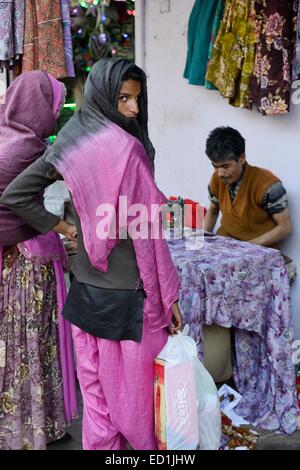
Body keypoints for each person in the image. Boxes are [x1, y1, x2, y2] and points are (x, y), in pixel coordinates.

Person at [1, 58, 182, 450]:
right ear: (104, 96)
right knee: (137, 411)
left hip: (84, 289)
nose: (134, 109)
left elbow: (15, 195)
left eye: (138, 99)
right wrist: (169, 297)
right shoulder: (130, 149)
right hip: (130, 298)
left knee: (97, 406)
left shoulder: (71, 140)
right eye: (124, 99)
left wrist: (63, 227)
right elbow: (149, 234)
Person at [0, 71, 77, 450]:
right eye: (55, 106)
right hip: (29, 258)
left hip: (8, 257)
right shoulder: (30, 149)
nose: (57, 112)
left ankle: (12, 425)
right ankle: (35, 427)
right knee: (35, 344)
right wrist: (62, 227)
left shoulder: (3, 133)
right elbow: (15, 199)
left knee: (11, 344)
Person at [204, 126, 295, 281]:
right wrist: (203, 241)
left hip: (258, 253)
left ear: (242, 158)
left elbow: (285, 227)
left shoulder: (268, 185)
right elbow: (213, 211)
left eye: (226, 166)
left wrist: (248, 246)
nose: (220, 173)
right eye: (215, 166)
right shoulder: (217, 180)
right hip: (227, 249)